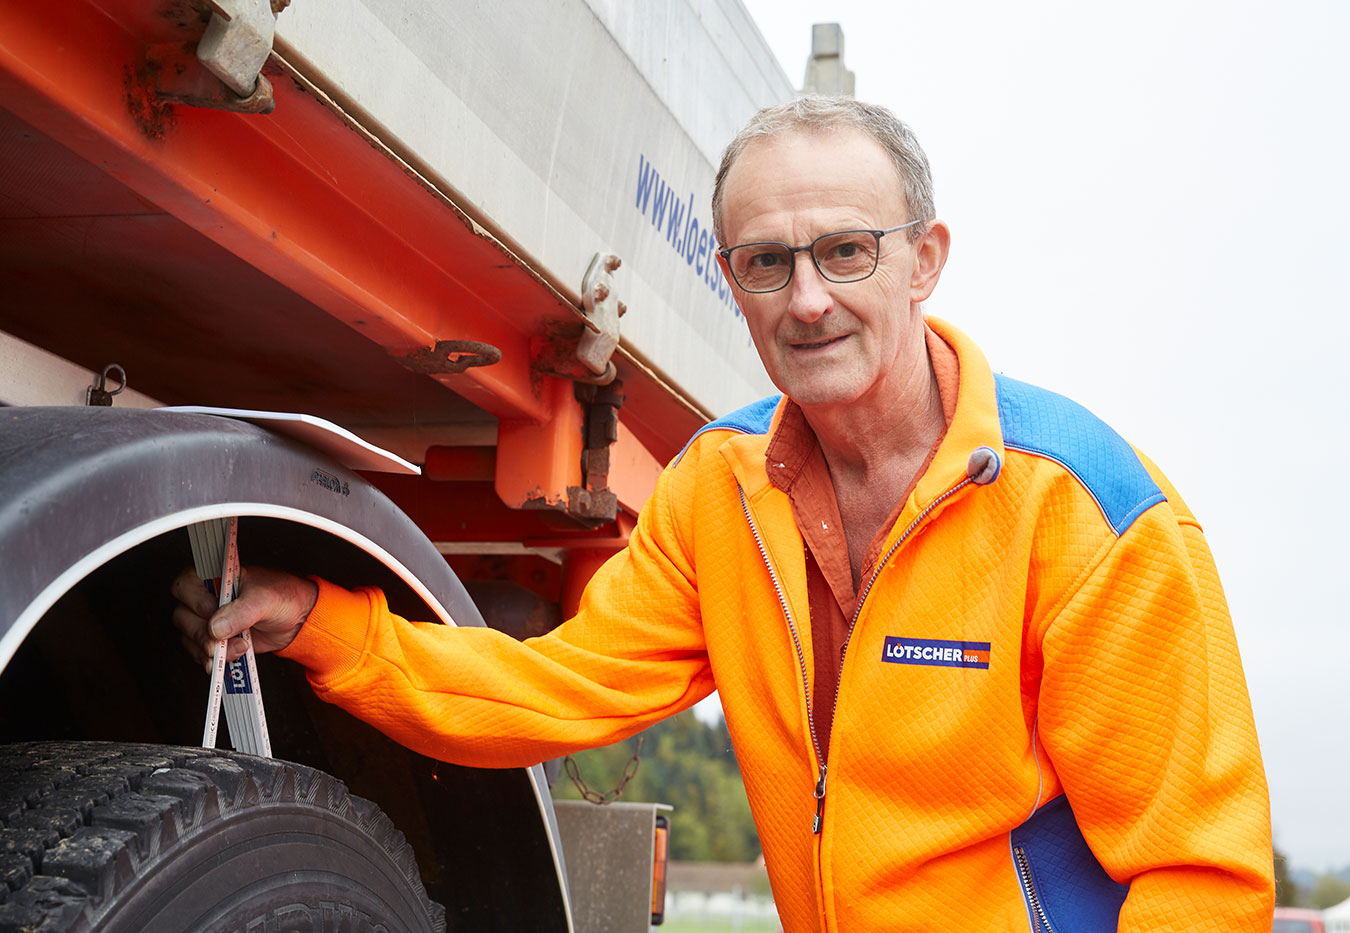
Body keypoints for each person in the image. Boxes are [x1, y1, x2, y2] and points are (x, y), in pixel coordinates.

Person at [174, 97, 1275, 930]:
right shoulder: (720, 489)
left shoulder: (1086, 514)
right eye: (766, 263)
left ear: (924, 260)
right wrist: (322, 621)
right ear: (730, 278)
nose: (807, 299)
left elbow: (1201, 875)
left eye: (847, 249)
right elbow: (558, 688)